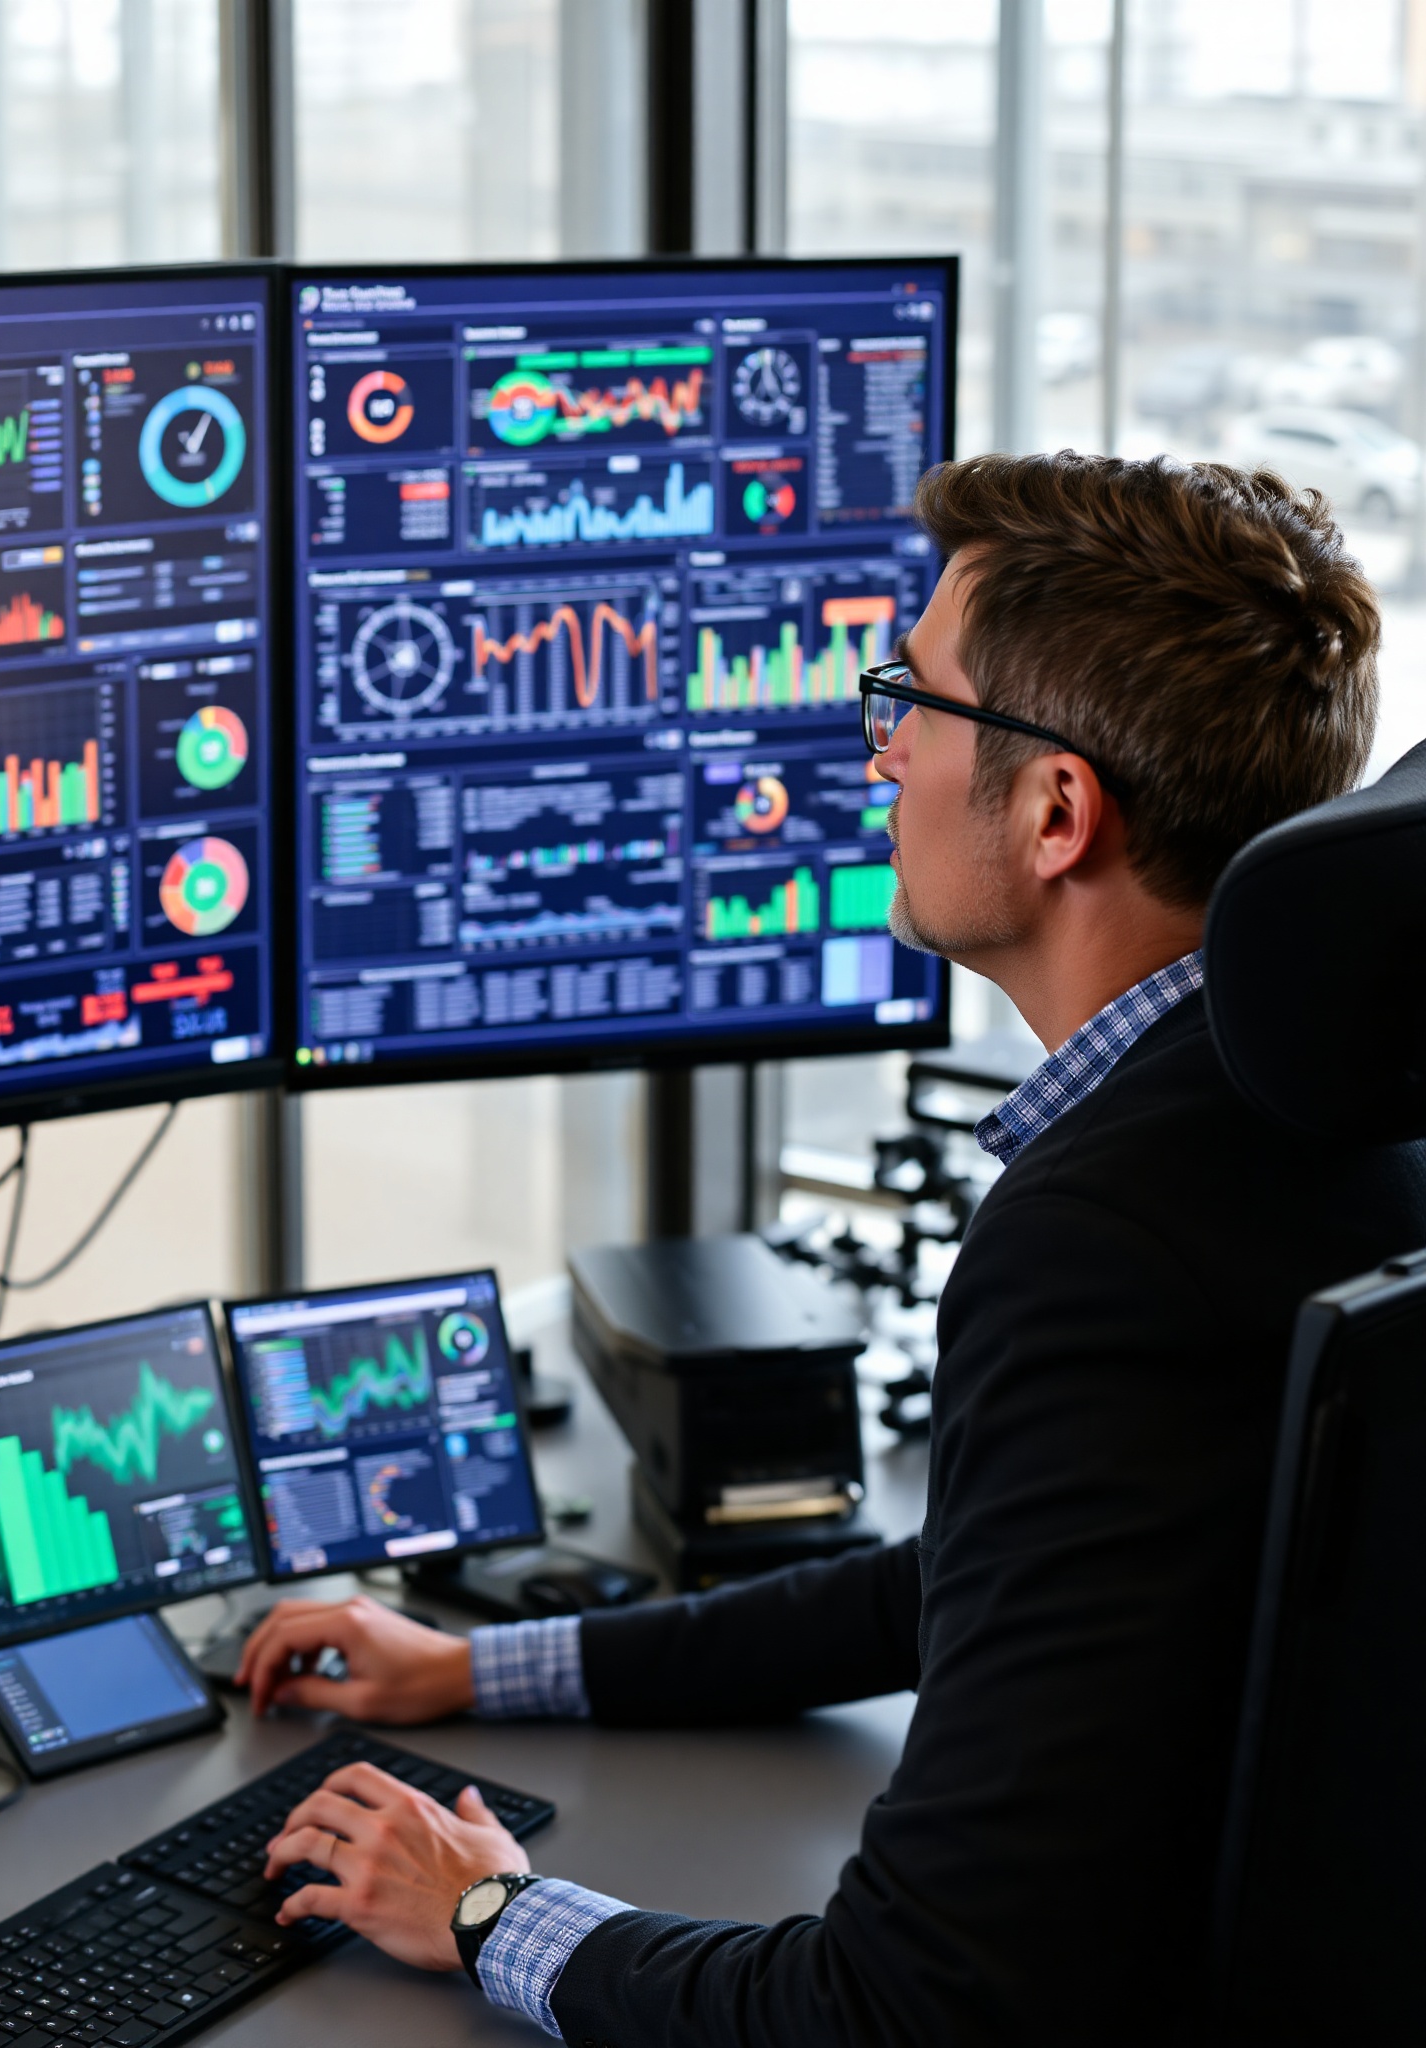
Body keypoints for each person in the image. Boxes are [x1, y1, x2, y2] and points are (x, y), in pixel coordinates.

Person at [234, 451, 1426, 2047]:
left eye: (912, 705)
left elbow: (910, 2006)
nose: (880, 761)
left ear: (1059, 810)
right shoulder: (1319, 1099)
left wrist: (481, 1910)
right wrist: (487, 1668)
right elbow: (984, 1577)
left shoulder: (1107, 1237)